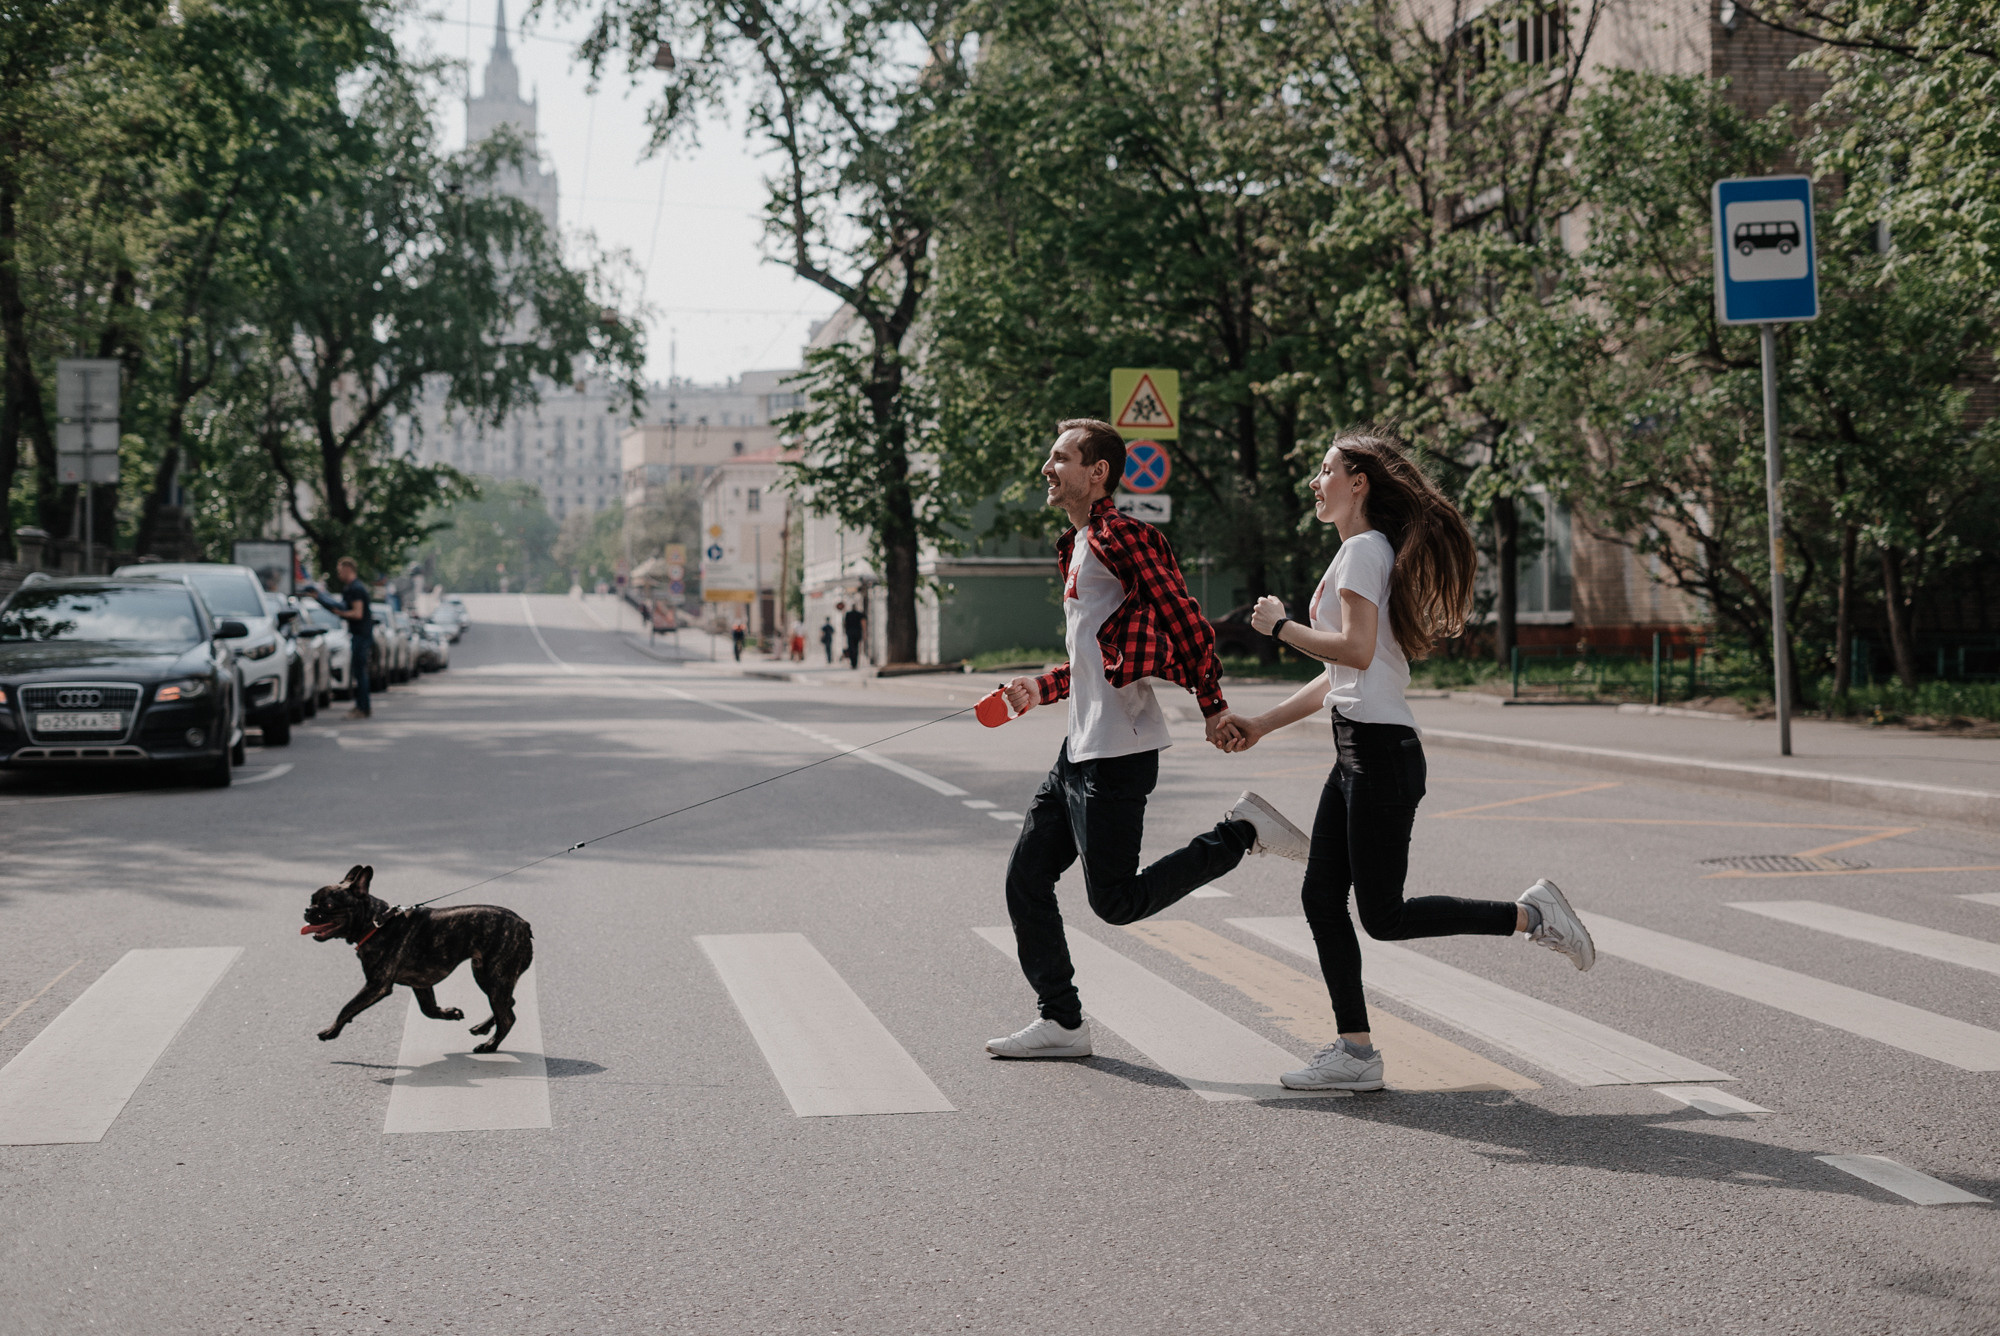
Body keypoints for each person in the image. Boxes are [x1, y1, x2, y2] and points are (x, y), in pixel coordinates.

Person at [1217, 428, 1596, 1092]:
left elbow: (1356, 650)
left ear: (1358, 482)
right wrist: (1263, 724)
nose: (1315, 481)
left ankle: (1533, 916)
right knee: (1321, 896)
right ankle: (1355, 1053)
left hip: (1380, 753)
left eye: (1326, 469)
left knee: (1383, 916)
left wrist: (1279, 627)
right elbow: (1343, 673)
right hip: (1359, 748)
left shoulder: (1363, 549)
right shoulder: (1359, 553)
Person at [985, 418, 1310, 1061]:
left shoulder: (1124, 537)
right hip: (1078, 751)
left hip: (1118, 754)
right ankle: (1062, 1021)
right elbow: (1095, 660)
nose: (1047, 469)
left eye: (1060, 458)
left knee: (1116, 902)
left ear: (1097, 471)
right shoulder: (1076, 545)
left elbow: (1185, 621)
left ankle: (1240, 833)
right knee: (1025, 880)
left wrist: (1213, 706)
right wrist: (1041, 688)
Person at [306, 557, 372, 719]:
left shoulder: (355, 588)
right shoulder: (352, 588)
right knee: (359, 672)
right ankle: (362, 706)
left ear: (348, 569)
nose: (339, 574)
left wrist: (341, 613)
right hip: (359, 634)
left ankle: (362, 708)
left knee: (360, 673)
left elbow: (357, 613)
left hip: (361, 635)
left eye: (340, 570)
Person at [840, 600, 865, 669]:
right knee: (856, 648)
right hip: (857, 633)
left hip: (850, 633)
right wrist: (864, 633)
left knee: (851, 648)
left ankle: (853, 663)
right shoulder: (859, 614)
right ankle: (855, 663)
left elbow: (844, 623)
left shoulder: (848, 614)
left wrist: (845, 631)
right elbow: (863, 623)